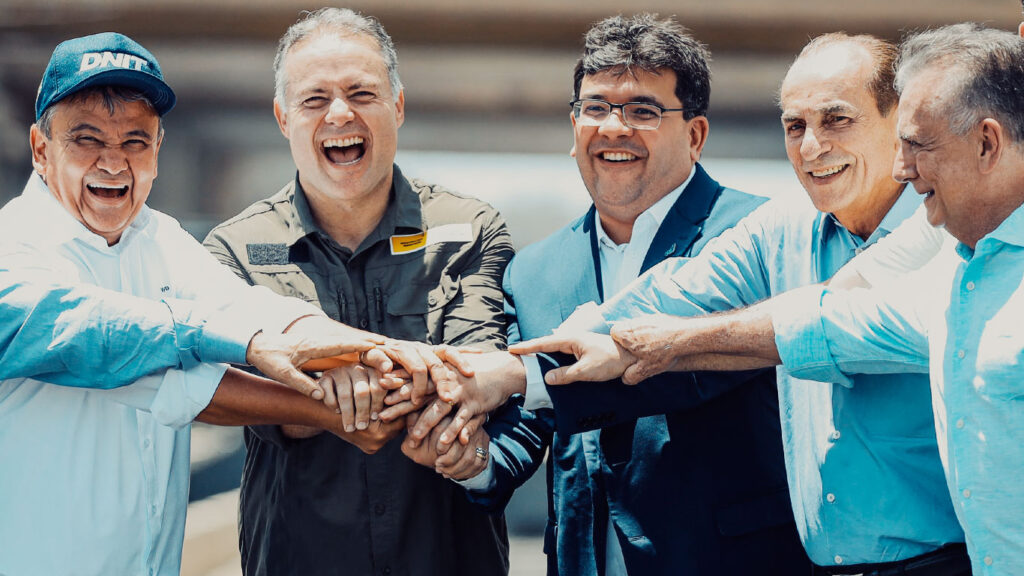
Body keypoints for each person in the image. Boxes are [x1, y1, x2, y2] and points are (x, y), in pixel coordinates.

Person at [508, 31, 972, 575]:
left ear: (900, 122)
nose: (811, 146)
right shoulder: (781, 230)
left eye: (836, 120)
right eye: (795, 127)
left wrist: (669, 343)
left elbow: (834, 327)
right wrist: (498, 371)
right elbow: (675, 293)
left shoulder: (957, 236)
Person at [409, 14, 809, 575]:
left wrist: (515, 374)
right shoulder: (535, 270)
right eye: (594, 108)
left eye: (643, 111)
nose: (614, 128)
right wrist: (468, 458)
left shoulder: (759, 236)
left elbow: (694, 369)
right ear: (574, 129)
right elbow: (531, 421)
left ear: (695, 136)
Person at [0, 32, 400, 576]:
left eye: (136, 142)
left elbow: (244, 304)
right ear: (42, 149)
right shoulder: (12, 248)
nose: (114, 164)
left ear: (159, 151)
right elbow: (106, 342)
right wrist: (303, 389)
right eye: (87, 140)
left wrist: (348, 343)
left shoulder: (158, 239)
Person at [202, 8, 515, 576]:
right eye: (314, 99)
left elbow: (479, 367)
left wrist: (329, 378)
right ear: (283, 117)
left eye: (361, 93)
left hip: (446, 556)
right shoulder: (232, 252)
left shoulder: (471, 228)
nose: (339, 114)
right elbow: (212, 388)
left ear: (397, 105)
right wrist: (323, 404)